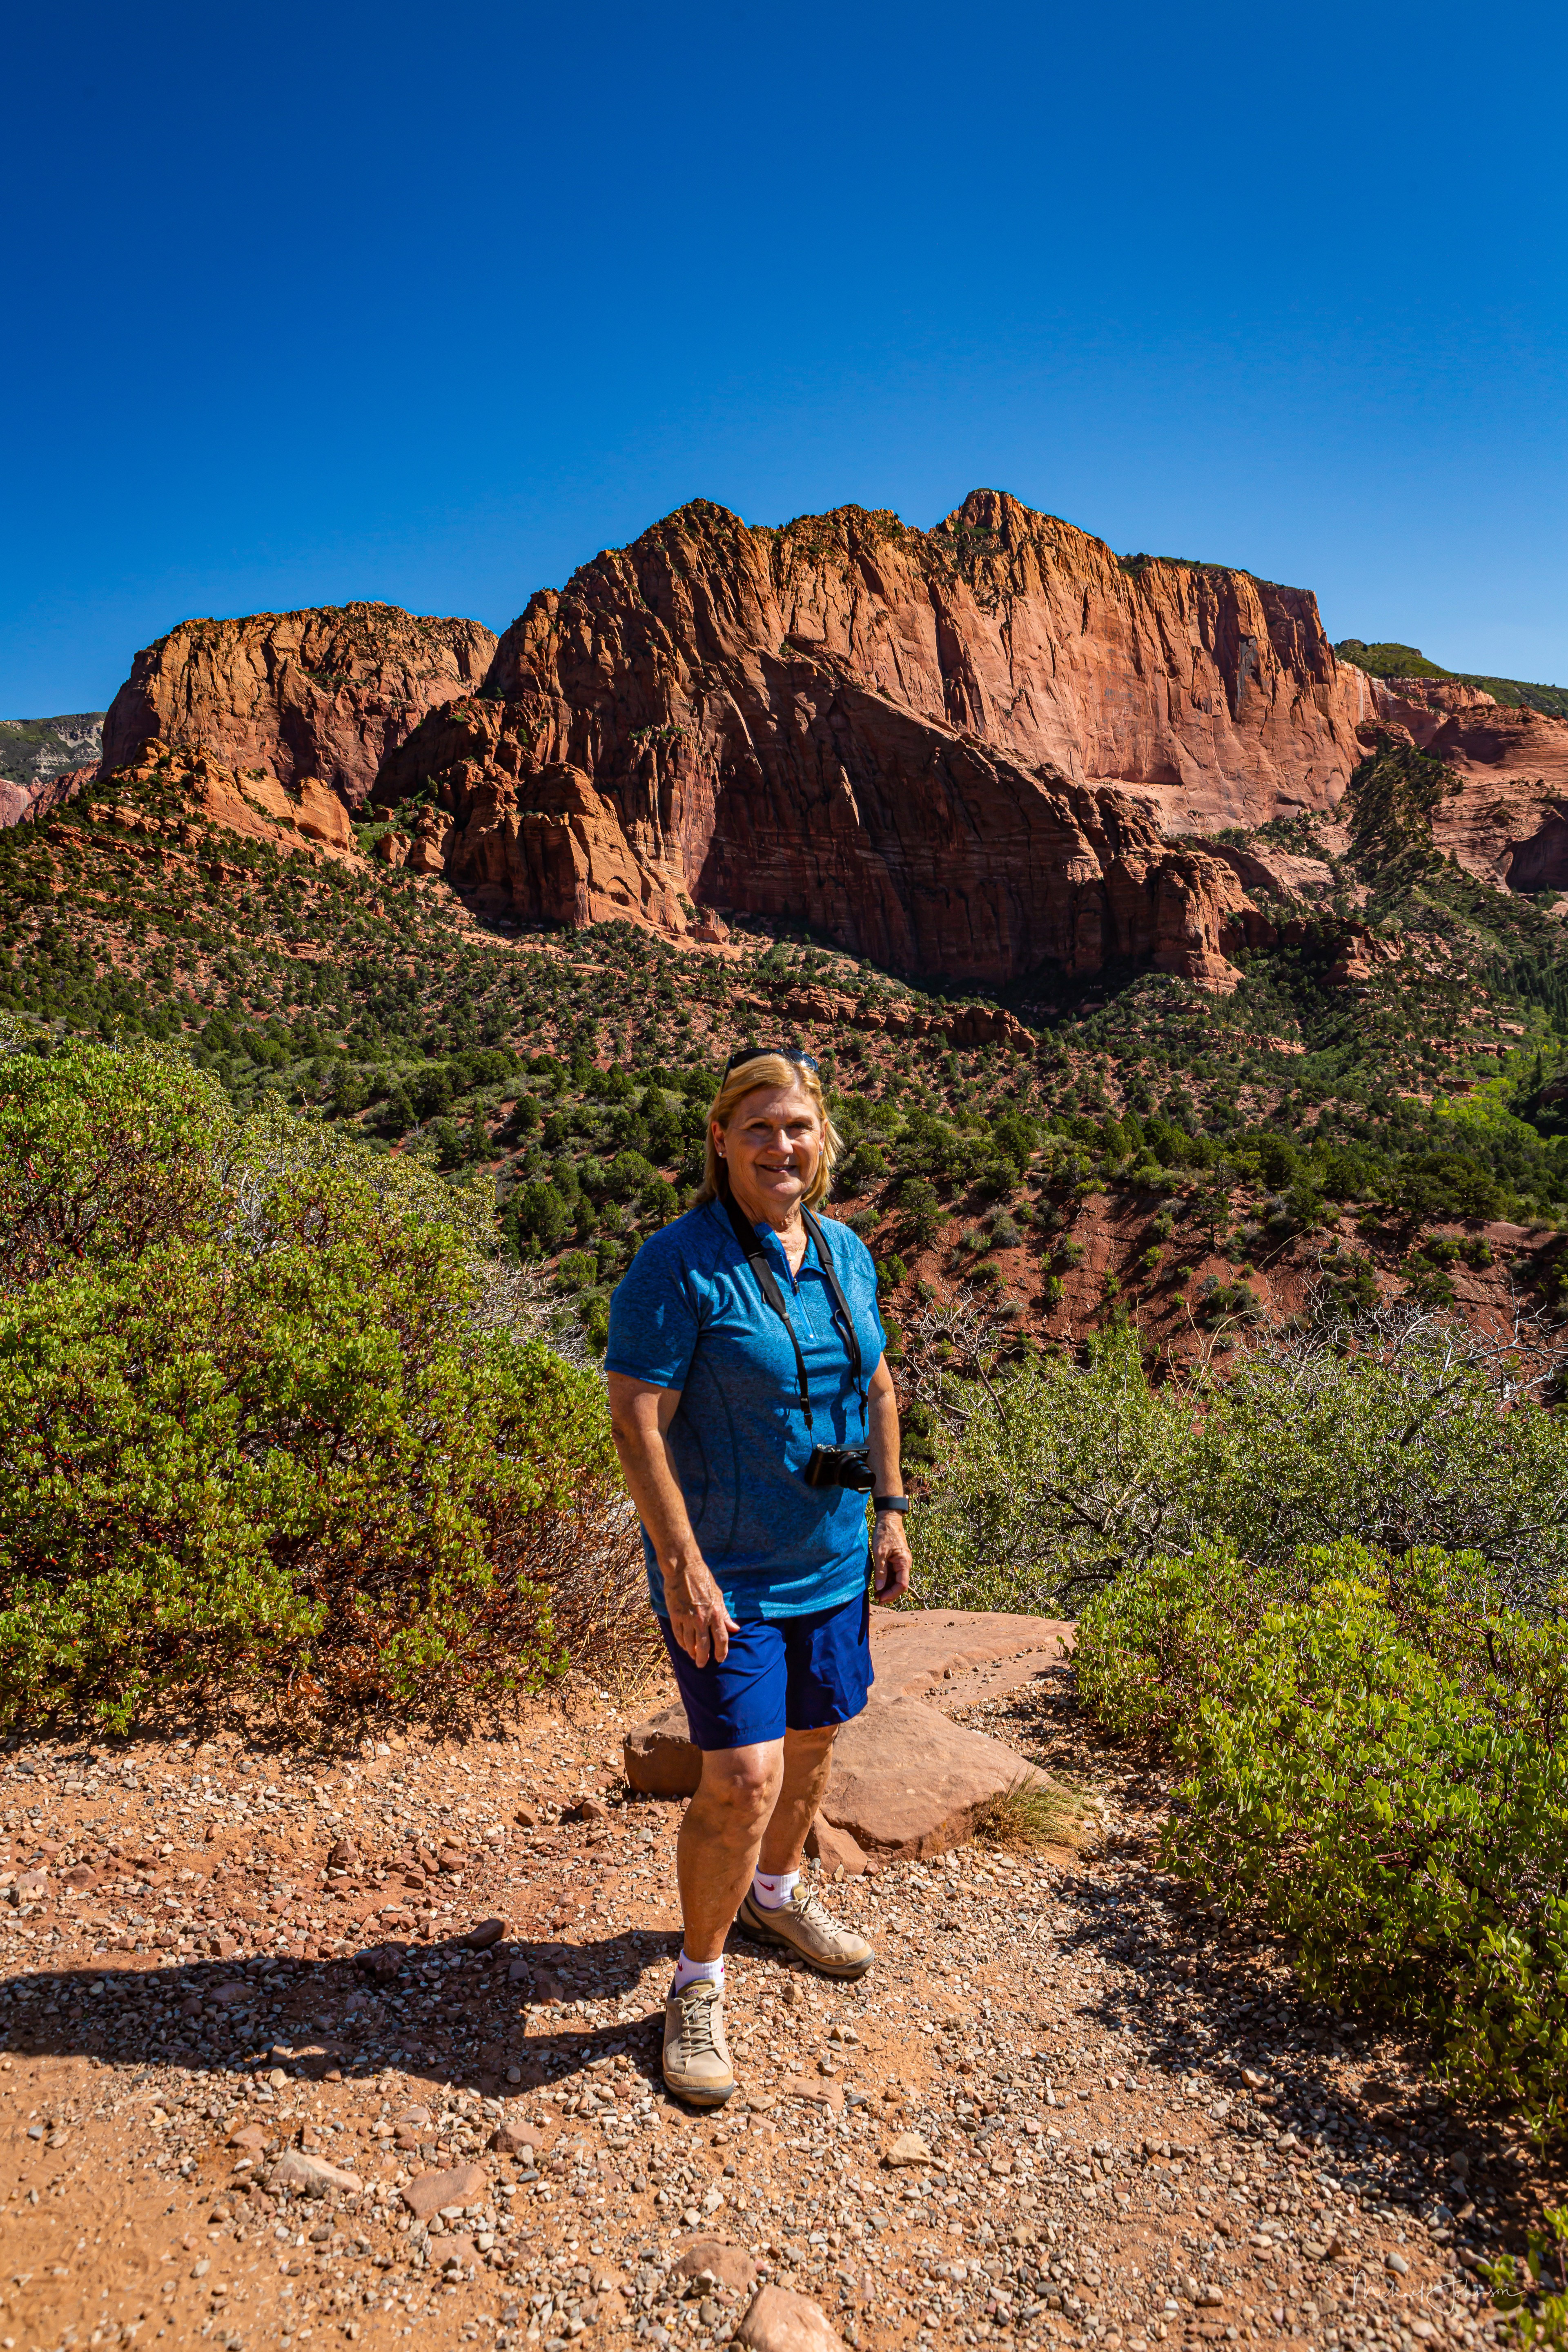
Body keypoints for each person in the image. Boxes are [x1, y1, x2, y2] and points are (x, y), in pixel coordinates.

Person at [606, 1046, 913, 2107]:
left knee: (817, 1744)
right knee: (741, 1778)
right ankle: (698, 1980)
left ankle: (775, 1895)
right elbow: (636, 1420)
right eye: (760, 1128)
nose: (782, 1146)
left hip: (831, 1561)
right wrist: (682, 1566)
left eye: (798, 1128)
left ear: (822, 1139)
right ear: (722, 1140)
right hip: (727, 1576)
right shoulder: (680, 1264)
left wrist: (888, 1510)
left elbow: (876, 1386)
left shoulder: (842, 1251)